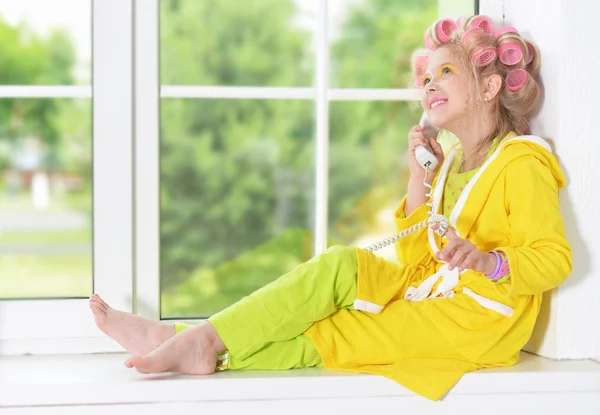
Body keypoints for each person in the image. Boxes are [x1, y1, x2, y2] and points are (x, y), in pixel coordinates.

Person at [89, 15, 572, 401]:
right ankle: (190, 338)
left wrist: (491, 261)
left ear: (489, 89)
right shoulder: (449, 165)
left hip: (476, 318)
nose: (428, 84)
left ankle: (201, 347)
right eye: (425, 77)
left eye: (446, 72)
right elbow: (412, 259)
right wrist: (419, 177)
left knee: (341, 327)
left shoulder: (521, 163)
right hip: (430, 288)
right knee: (339, 264)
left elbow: (554, 258)